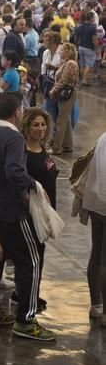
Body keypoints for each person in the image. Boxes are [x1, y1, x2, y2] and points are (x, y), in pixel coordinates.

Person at [0, 93, 56, 341]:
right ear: (17, 112)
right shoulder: (13, 137)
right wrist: (33, 184)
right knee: (31, 261)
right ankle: (26, 320)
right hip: (13, 211)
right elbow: (14, 171)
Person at [84, 131, 106, 327]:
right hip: (103, 206)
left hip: (96, 204)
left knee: (97, 253)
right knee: (103, 257)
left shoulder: (102, 137)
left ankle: (96, 304)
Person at [49, 43, 80, 155]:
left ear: (68, 51)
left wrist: (53, 90)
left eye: (62, 50)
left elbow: (64, 81)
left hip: (67, 95)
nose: (59, 52)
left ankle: (57, 148)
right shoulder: (67, 63)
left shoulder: (71, 64)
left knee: (60, 121)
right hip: (65, 95)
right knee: (65, 120)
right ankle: (67, 145)